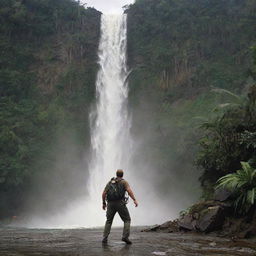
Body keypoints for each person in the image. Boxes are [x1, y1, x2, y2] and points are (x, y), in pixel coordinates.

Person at [102, 169, 138, 244]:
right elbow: (129, 191)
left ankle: (104, 238)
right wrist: (134, 199)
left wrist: (104, 203)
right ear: (122, 175)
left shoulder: (110, 182)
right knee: (127, 220)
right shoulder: (124, 182)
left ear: (116, 174)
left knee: (109, 221)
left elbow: (104, 193)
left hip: (110, 204)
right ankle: (125, 237)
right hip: (120, 203)